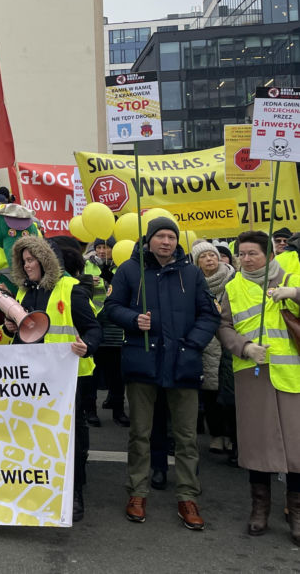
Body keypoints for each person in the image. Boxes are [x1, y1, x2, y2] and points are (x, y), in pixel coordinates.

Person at [104, 216, 220, 530]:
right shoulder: (130, 270)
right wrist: (132, 318)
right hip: (143, 362)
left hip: (183, 363)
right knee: (139, 434)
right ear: (149, 239)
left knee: (185, 437)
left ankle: (187, 496)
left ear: (176, 240)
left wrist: (193, 344)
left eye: (171, 237)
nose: (166, 242)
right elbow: (110, 307)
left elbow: (209, 314)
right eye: (160, 236)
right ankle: (137, 492)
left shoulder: (192, 272)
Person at [1, 235, 101, 521]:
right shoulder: (23, 292)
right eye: (24, 261)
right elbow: (22, 333)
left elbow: (94, 328)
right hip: (35, 378)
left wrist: (88, 346)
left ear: (46, 261)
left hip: (70, 377)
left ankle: (75, 491)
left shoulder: (71, 289)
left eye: (32, 260)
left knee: (71, 438)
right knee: (36, 434)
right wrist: (11, 327)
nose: (27, 265)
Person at [217, 230, 300, 544]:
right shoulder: (233, 286)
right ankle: (260, 508)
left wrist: (293, 293)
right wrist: (244, 346)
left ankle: (296, 511)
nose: (247, 259)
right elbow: (223, 326)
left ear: (269, 254)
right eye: (243, 253)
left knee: (296, 447)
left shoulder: (292, 276)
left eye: (253, 253)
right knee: (259, 446)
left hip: (292, 376)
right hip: (252, 373)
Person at [191, 239, 236, 455]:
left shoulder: (233, 279)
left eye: (212, 255)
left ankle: (231, 435)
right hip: (206, 342)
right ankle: (217, 434)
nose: (209, 259)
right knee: (210, 392)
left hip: (228, 341)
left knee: (229, 394)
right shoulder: (195, 283)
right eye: (203, 256)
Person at [84, 238, 127, 426]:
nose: (102, 251)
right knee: (93, 371)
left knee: (117, 373)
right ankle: (90, 411)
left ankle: (118, 411)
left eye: (107, 247)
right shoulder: (87, 264)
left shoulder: (123, 266)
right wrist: (86, 282)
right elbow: (75, 286)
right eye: (99, 247)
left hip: (116, 326)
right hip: (94, 323)